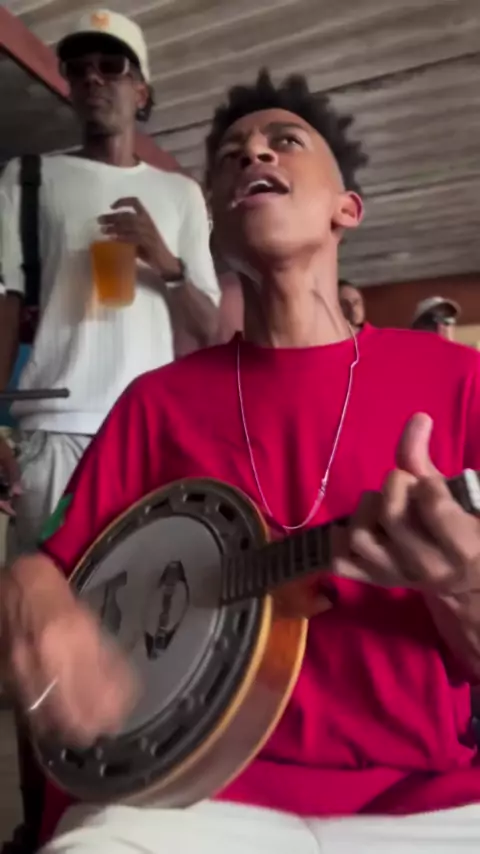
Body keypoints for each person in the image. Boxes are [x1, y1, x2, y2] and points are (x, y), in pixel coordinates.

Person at [2, 68, 480, 854]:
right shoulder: (157, 402)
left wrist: (462, 586)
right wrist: (28, 596)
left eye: (283, 141)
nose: (253, 154)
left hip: (426, 802)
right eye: (230, 156)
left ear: (346, 208)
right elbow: (48, 566)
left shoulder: (457, 382)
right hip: (179, 798)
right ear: (215, 226)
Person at [0, 8, 219, 546]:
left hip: (149, 433)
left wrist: (165, 262)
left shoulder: (181, 194)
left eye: (111, 65)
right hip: (52, 427)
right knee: (38, 588)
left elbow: (211, 328)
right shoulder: (29, 178)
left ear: (142, 92)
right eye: (77, 69)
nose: (92, 78)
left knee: (139, 589)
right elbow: (6, 303)